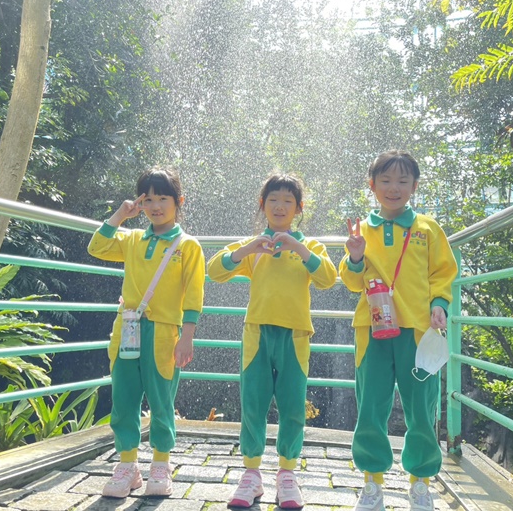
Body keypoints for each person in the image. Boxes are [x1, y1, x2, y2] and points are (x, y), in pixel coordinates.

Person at [207, 173, 337, 509]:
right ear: (262, 204)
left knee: (293, 407)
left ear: (299, 208)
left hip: (295, 336)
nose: (280, 206)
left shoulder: (309, 247)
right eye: (273, 199)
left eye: (287, 201)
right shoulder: (255, 246)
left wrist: (298, 248)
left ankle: (287, 475)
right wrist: (248, 249)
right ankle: (251, 474)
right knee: (253, 404)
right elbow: (214, 270)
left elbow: (328, 277)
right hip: (257, 334)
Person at [340, 150, 458, 511]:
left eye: (403, 181)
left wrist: (440, 304)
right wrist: (355, 255)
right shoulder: (362, 230)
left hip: (418, 331)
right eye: (386, 180)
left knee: (421, 408)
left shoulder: (427, 227)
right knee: (371, 406)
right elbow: (351, 281)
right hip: (372, 329)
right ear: (372, 185)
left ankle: (420, 483)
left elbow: (443, 272)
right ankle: (372, 483)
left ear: (414, 186)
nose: (394, 188)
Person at [87, 167, 205, 498]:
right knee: (124, 397)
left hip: (165, 332)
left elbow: (194, 294)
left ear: (179, 201)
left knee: (161, 399)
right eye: (148, 199)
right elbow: (96, 246)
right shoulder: (132, 239)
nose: (155, 206)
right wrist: (120, 215)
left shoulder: (188, 246)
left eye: (163, 198)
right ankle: (127, 466)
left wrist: (187, 335)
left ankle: (161, 465)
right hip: (127, 327)